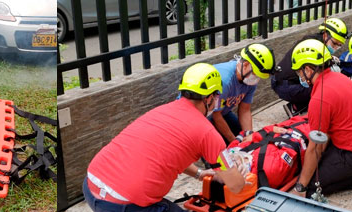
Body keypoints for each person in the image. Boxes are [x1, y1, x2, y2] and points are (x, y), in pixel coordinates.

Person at [83, 63, 245, 211]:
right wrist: (239, 168)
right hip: (123, 203)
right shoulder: (208, 133)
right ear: (209, 98)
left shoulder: (161, 111)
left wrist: (199, 174)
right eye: (216, 96)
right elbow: (236, 185)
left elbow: (170, 156)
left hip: (91, 185)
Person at [288, 39, 352, 198]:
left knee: (313, 188)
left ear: (308, 70)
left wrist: (301, 187)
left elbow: (316, 148)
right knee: (322, 162)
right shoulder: (339, 78)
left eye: (299, 72)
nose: (299, 76)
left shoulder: (320, 97)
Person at [270, 18, 349, 116]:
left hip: (286, 81)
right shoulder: (311, 46)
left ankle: (300, 103)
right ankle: (296, 107)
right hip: (284, 85)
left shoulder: (316, 42)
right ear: (325, 35)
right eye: (334, 43)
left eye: (339, 45)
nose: (335, 47)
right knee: (324, 87)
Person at [210, 43, 277, 144]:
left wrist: (249, 136)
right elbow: (215, 115)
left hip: (223, 113)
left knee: (243, 136)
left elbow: (245, 110)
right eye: (256, 75)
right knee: (222, 148)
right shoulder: (225, 80)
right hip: (205, 117)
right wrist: (234, 141)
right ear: (245, 65)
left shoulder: (249, 79)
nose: (256, 79)